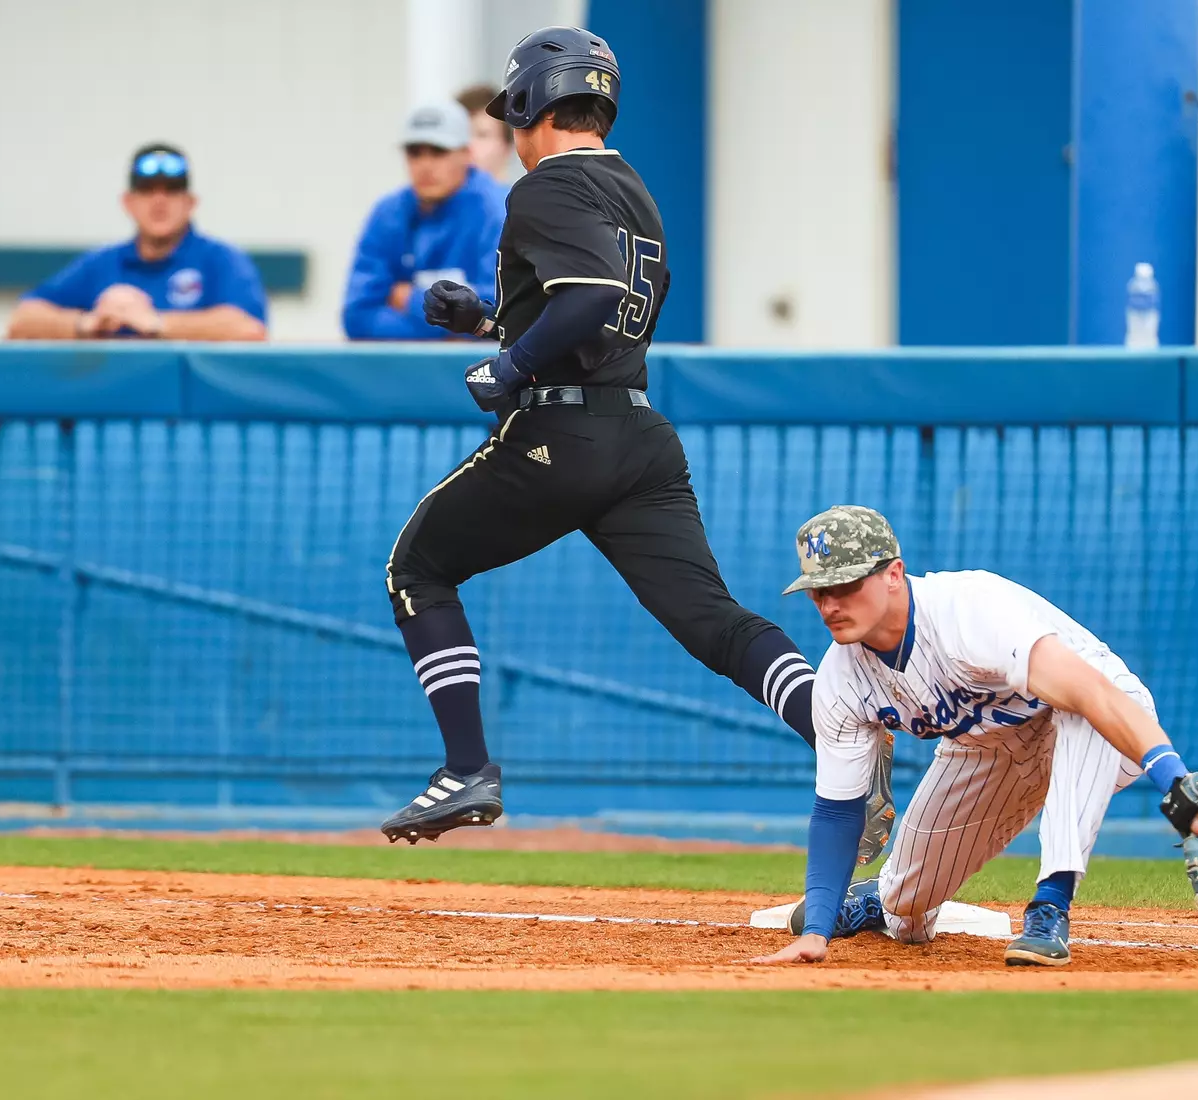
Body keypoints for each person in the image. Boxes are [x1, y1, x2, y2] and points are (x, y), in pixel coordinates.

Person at [377, 27, 895, 864]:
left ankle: (467, 767)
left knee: (417, 567)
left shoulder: (543, 188)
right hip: (638, 436)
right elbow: (599, 309)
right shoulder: (632, 189)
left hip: (562, 433)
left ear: (527, 104)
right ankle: (842, 746)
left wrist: (509, 362)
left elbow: (590, 298)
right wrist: (484, 318)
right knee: (716, 624)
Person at [750, 506, 1198, 968]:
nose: (830, 603)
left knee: (1076, 714)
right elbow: (838, 809)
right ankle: (881, 899)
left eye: (845, 585)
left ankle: (1050, 905)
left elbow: (1092, 692)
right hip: (987, 748)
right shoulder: (841, 680)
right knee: (906, 909)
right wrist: (817, 930)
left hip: (1103, 717)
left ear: (893, 574)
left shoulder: (966, 610)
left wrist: (1174, 782)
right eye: (819, 590)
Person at [6, 145, 267, 341]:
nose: (159, 201)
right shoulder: (102, 263)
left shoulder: (221, 260)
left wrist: (156, 323)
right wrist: (86, 322)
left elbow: (250, 329)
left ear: (190, 203)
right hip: (111, 405)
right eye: (147, 190)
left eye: (172, 190)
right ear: (128, 203)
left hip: (192, 411)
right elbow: (22, 320)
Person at [340, 101, 505, 340]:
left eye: (439, 152)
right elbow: (357, 317)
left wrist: (408, 298)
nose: (425, 165)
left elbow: (503, 316)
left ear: (466, 154)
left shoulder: (500, 210)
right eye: (415, 152)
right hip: (407, 373)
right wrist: (457, 329)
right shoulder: (387, 213)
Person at [457, 83, 517, 187]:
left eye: (482, 135)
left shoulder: (523, 202)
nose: (468, 144)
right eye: (460, 134)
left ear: (508, 146)